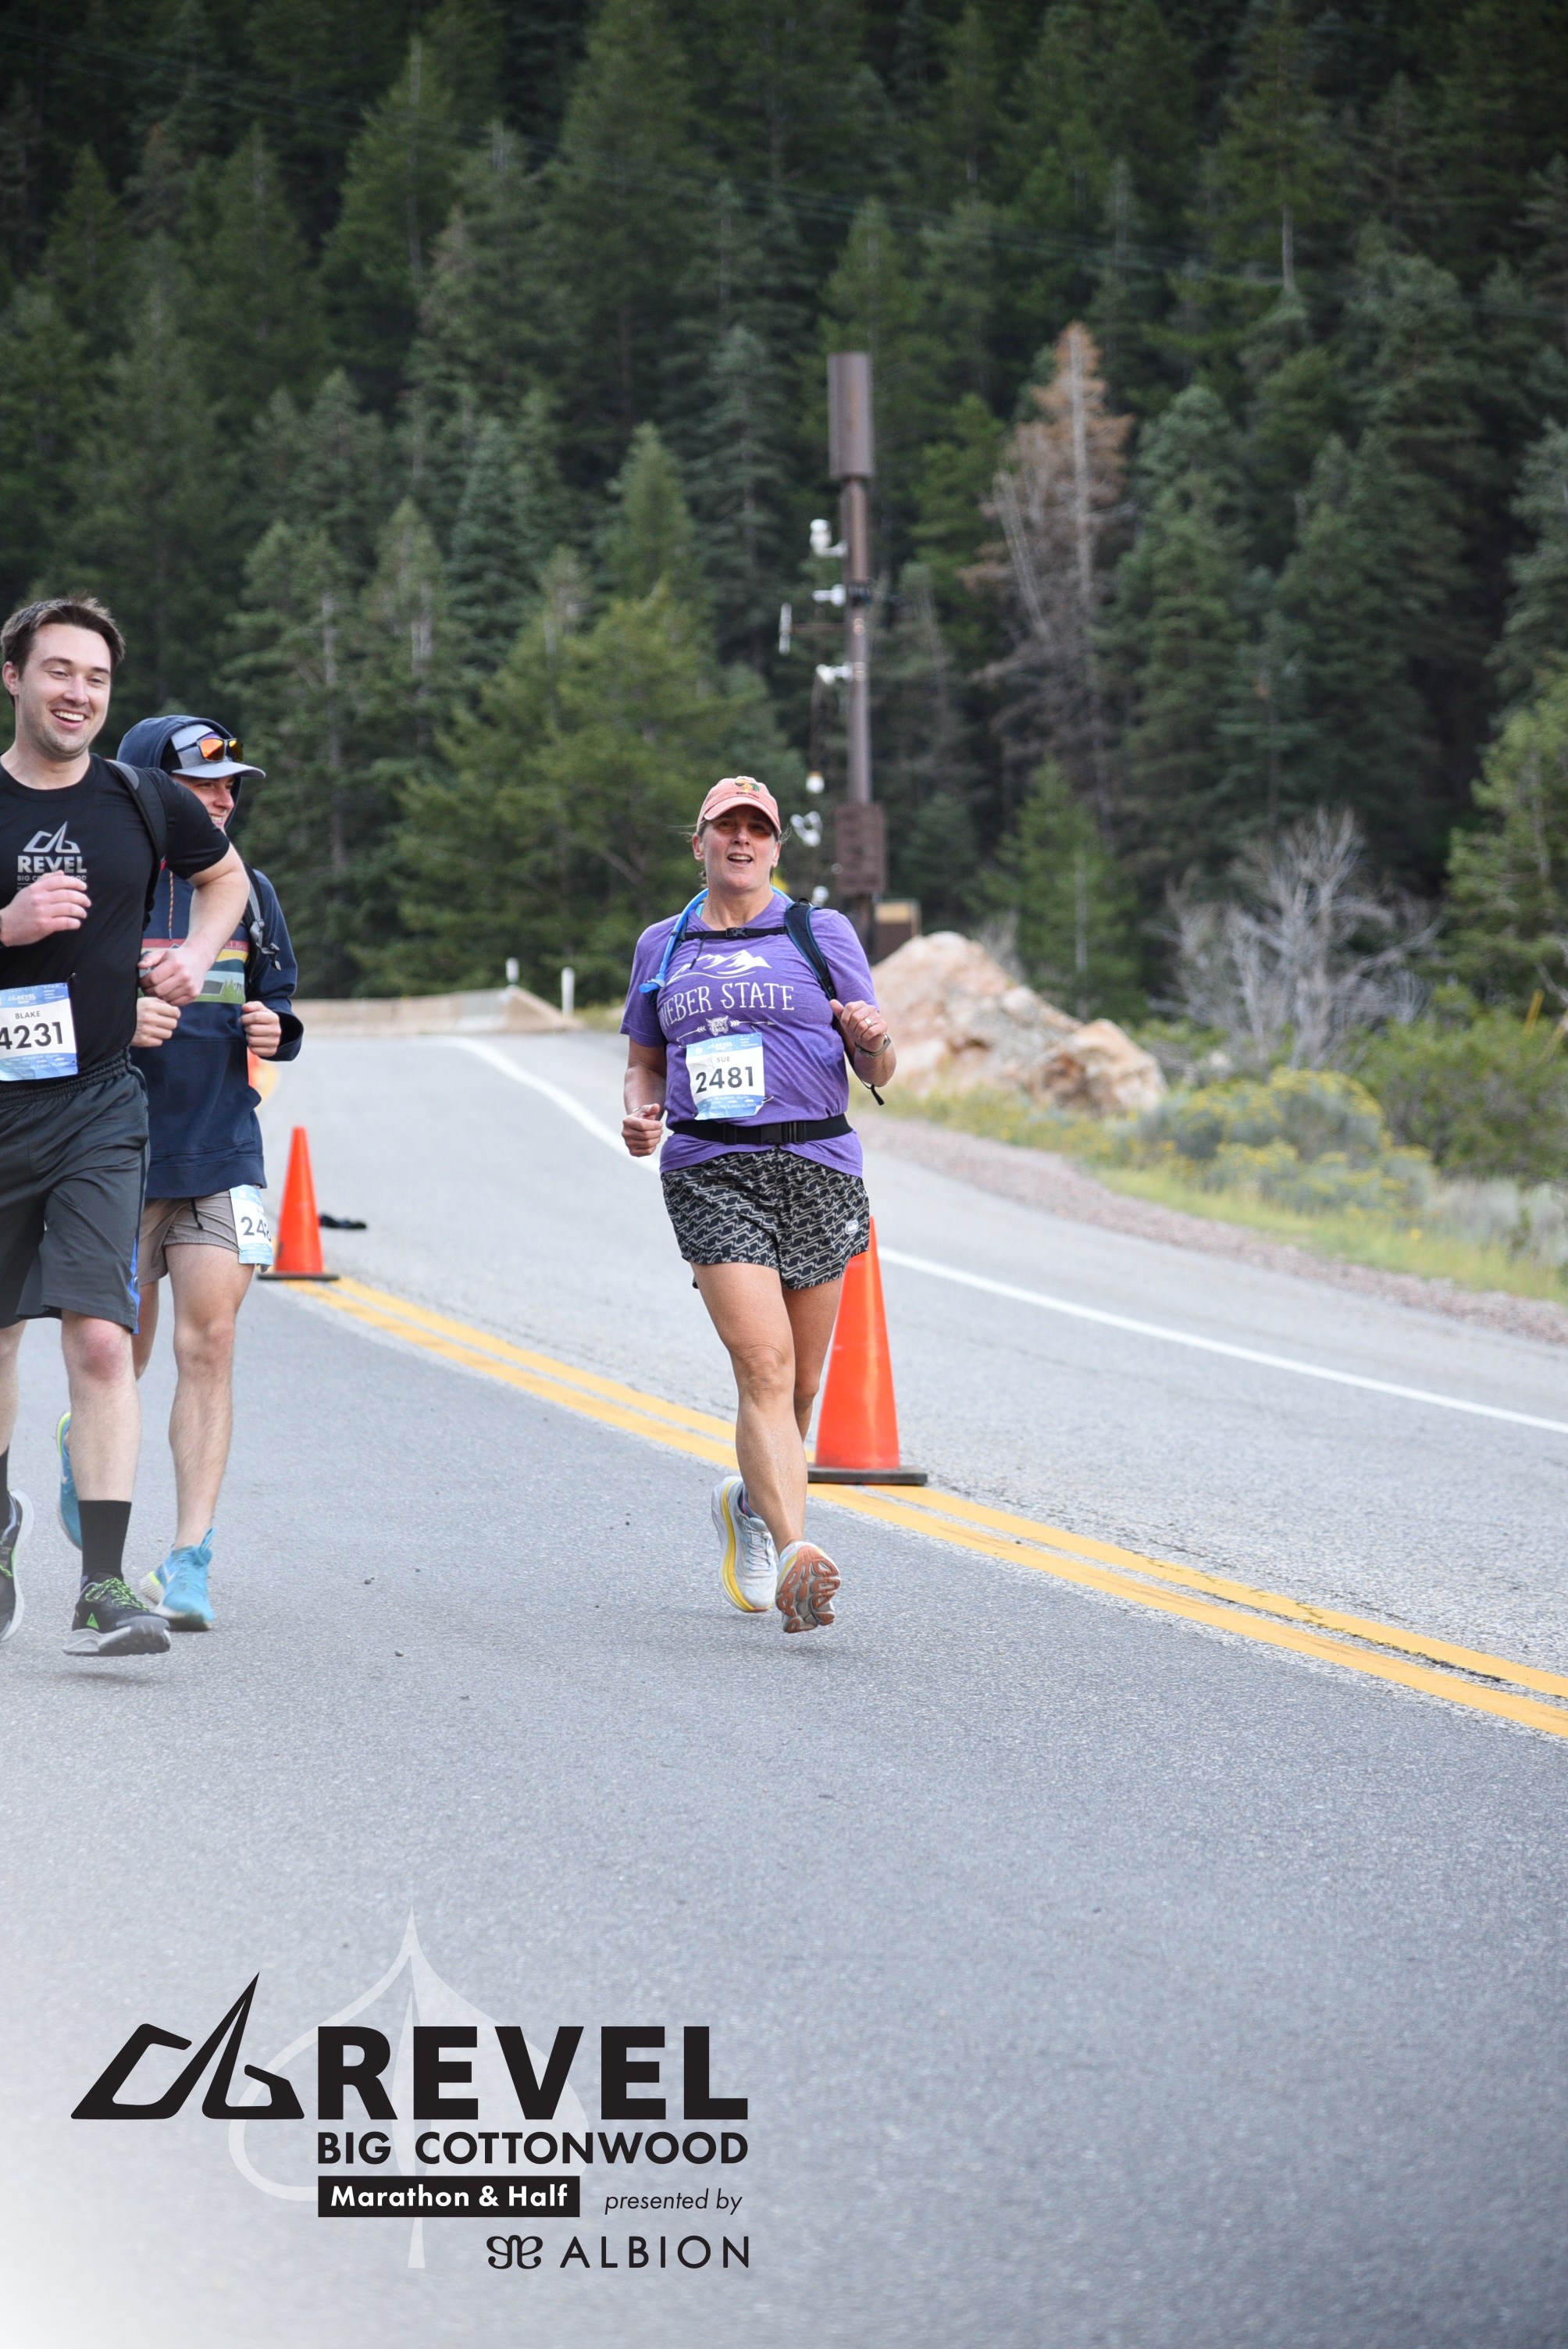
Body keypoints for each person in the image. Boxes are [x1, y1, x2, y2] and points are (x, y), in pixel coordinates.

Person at [0, 597, 248, 1659]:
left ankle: (102, 1582)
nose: (77, 693)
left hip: (100, 1104)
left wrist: (194, 954)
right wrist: (5, 926)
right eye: (58, 671)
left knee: (103, 1337)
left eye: (95, 678)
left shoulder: (141, 800)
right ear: (14, 676)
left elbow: (224, 878)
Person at [621, 776, 896, 1634]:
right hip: (711, 1167)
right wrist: (639, 1113)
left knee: (800, 1386)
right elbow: (644, 1061)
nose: (741, 840)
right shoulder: (664, 945)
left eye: (757, 828)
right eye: (725, 827)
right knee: (763, 1367)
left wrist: (873, 1040)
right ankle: (793, 1552)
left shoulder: (820, 931)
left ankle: (746, 1503)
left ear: (775, 847)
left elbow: (879, 1067)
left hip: (817, 1161)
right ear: (698, 842)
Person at [53, 714, 302, 1632]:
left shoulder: (249, 891)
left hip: (221, 1148)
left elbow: (277, 1001)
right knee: (119, 1350)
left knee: (213, 1341)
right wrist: (119, 1019)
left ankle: (190, 1556)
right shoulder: (100, 881)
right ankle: (84, 1442)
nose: (224, 799)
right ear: (150, 791)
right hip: (111, 1150)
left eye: (232, 784)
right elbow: (38, 1010)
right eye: (205, 785)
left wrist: (278, 1027)